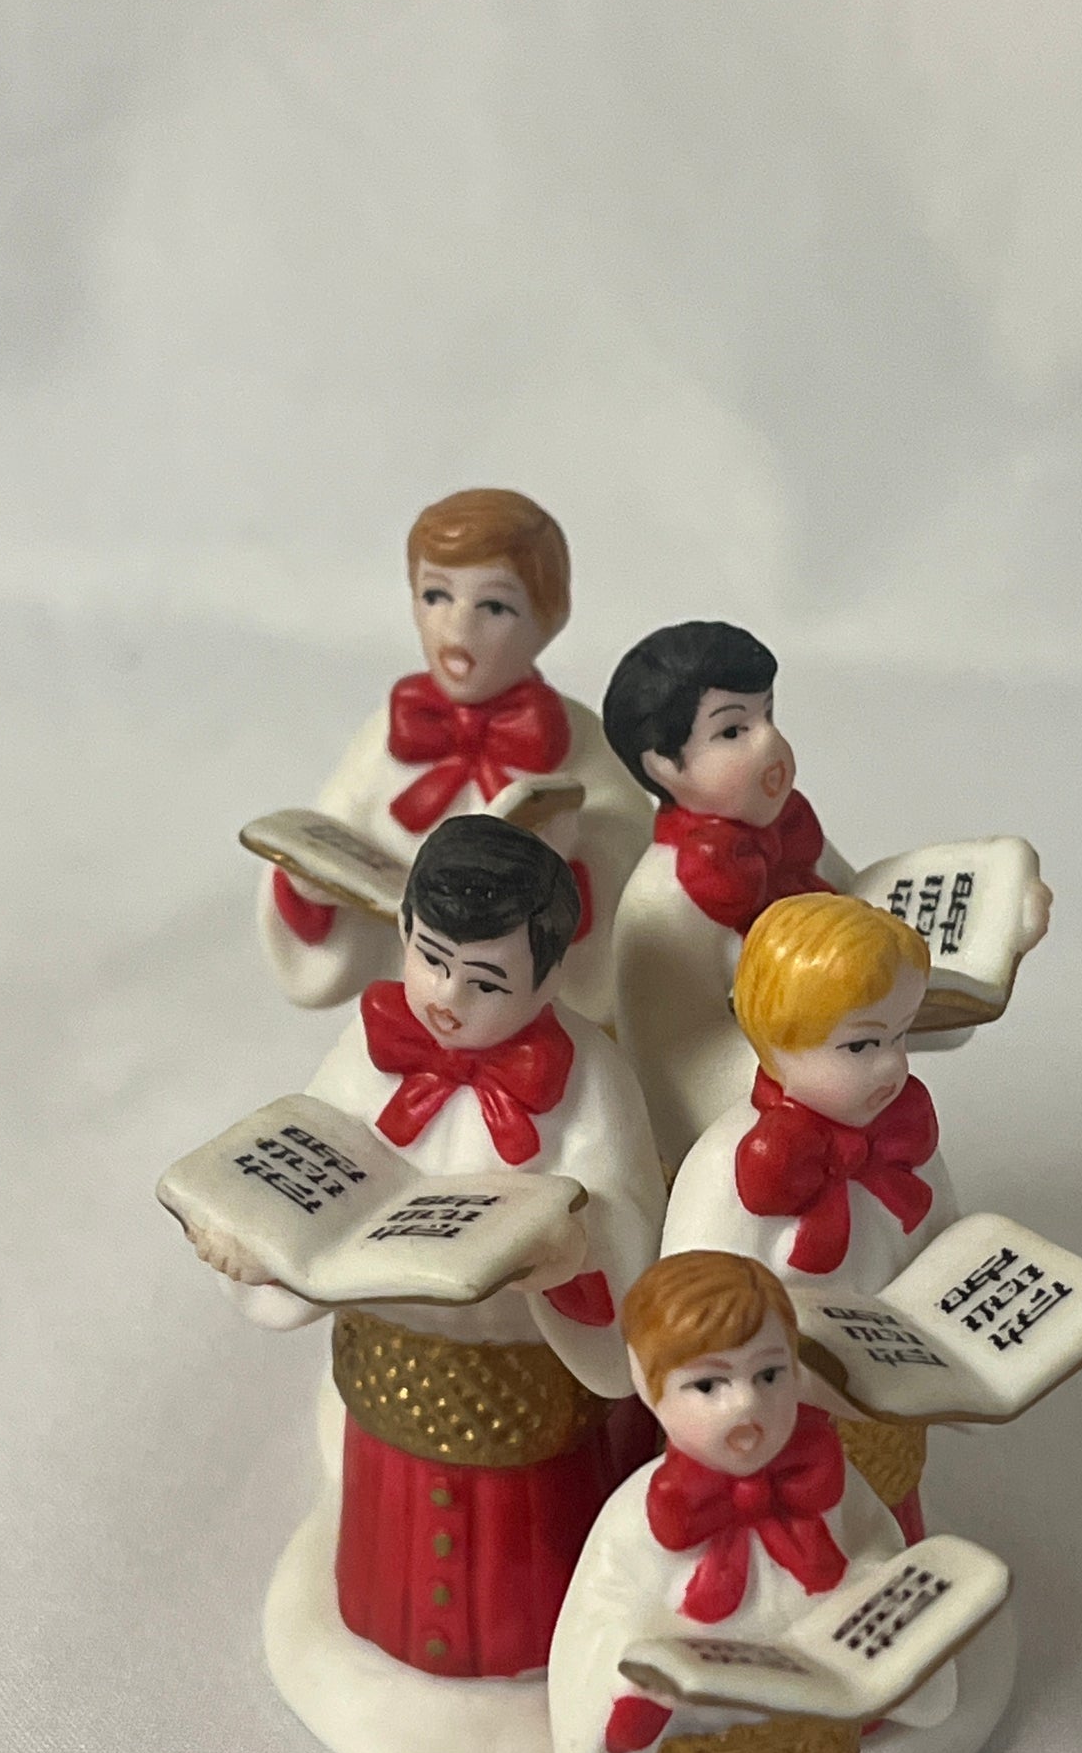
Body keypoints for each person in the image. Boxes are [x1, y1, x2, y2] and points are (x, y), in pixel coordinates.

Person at [200, 817, 666, 1679]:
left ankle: (537, 1659)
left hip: (527, 1377)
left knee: (527, 1578)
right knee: (391, 1560)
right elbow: (312, 1178)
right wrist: (258, 1244)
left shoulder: (591, 1078)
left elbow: (630, 1223)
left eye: (487, 980)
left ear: (549, 975)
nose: (448, 996)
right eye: (431, 958)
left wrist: (571, 1253)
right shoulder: (369, 1047)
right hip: (392, 1362)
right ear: (406, 929)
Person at [547, 1251, 954, 1753]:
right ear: (647, 1384)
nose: (748, 1405)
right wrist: (633, 1686)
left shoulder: (830, 1485)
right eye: (708, 1385)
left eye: (769, 1374)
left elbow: (880, 1557)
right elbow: (596, 1625)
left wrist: (875, 1597)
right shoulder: (638, 1523)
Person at [257, 488, 652, 1028]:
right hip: (414, 1004)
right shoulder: (388, 736)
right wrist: (309, 890)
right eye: (436, 595)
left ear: (549, 616)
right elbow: (331, 829)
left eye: (495, 606)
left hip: (542, 1022)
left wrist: (572, 860)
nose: (458, 628)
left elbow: (634, 854)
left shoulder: (578, 741)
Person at [660, 892, 957, 1539]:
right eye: (861, 1045)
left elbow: (949, 1250)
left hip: (897, 1414)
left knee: (895, 1542)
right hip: (782, 1441)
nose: (893, 1064)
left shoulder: (905, 1142)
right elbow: (691, 1321)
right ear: (776, 1039)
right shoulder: (729, 1168)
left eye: (900, 1035)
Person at [602, 621, 855, 1166]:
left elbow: (859, 897)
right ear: (664, 765)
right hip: (718, 1086)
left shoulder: (787, 831)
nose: (771, 744)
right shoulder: (667, 897)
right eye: (734, 731)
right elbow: (671, 1056)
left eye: (770, 716)